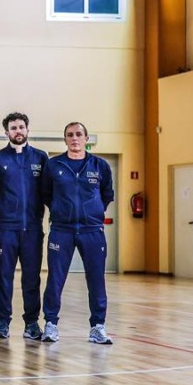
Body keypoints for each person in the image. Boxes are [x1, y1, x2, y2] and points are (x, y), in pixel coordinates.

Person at [41, 122, 115, 345]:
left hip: (92, 231)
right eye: (70, 135)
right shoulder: (54, 165)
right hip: (61, 230)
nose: (74, 138)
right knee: (55, 278)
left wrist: (92, 212)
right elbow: (45, 193)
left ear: (86, 138)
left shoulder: (99, 165)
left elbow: (107, 194)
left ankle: (98, 327)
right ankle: (51, 324)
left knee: (96, 279)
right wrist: (60, 210)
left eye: (79, 134)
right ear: (65, 139)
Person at [0, 112, 49, 340]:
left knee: (32, 277)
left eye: (21, 127)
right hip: (6, 230)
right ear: (6, 132)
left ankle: (32, 323)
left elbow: (46, 191)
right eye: (13, 128)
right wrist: (2, 214)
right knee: (3, 276)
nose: (18, 131)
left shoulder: (41, 158)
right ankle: (2, 322)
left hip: (32, 229)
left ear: (28, 130)